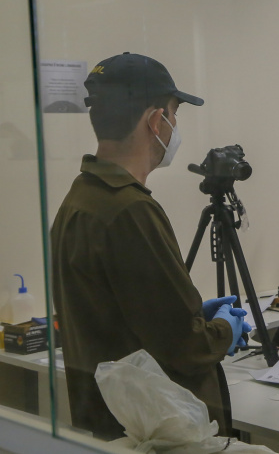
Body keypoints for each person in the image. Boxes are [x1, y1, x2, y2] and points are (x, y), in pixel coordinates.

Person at [50, 53, 250, 440]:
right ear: (155, 121)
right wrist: (223, 329)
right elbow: (185, 347)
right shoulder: (130, 212)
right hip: (154, 434)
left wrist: (192, 313)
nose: (175, 126)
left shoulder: (79, 200)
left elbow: (120, 314)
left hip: (108, 425)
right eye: (174, 114)